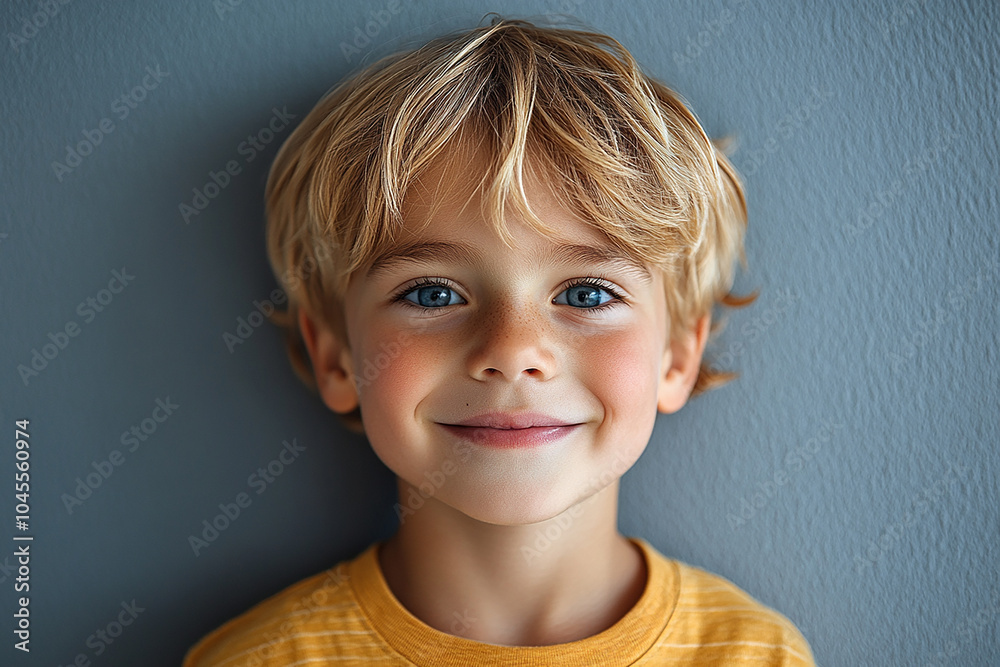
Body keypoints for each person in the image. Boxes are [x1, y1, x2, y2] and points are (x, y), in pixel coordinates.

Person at [184, 16, 816, 666]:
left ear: (678, 356)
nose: (513, 350)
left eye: (587, 294)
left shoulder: (756, 655)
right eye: (432, 293)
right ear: (337, 356)